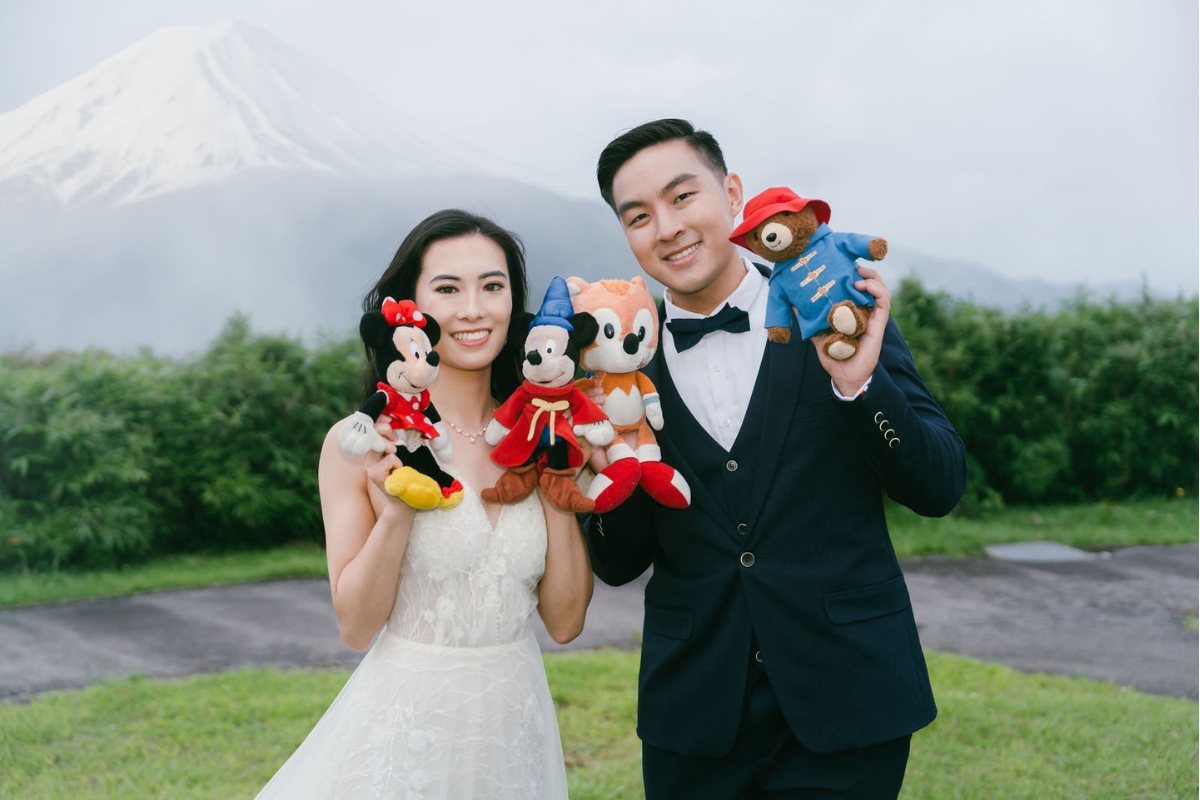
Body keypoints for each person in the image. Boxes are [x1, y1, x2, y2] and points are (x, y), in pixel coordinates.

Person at [583, 119, 967, 799]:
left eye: (681, 197)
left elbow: (939, 484)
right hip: (693, 712)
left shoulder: (837, 306)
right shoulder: (620, 366)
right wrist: (608, 464)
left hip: (850, 696)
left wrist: (858, 384)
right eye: (639, 216)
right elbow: (616, 564)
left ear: (731, 193)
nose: (666, 228)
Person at [257, 209, 592, 799]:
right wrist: (400, 507)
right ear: (406, 309)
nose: (472, 309)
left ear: (515, 303)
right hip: (404, 742)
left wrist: (557, 479)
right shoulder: (361, 443)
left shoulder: (542, 433)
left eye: (492, 286)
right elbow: (356, 626)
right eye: (447, 289)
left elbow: (565, 624)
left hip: (515, 733)